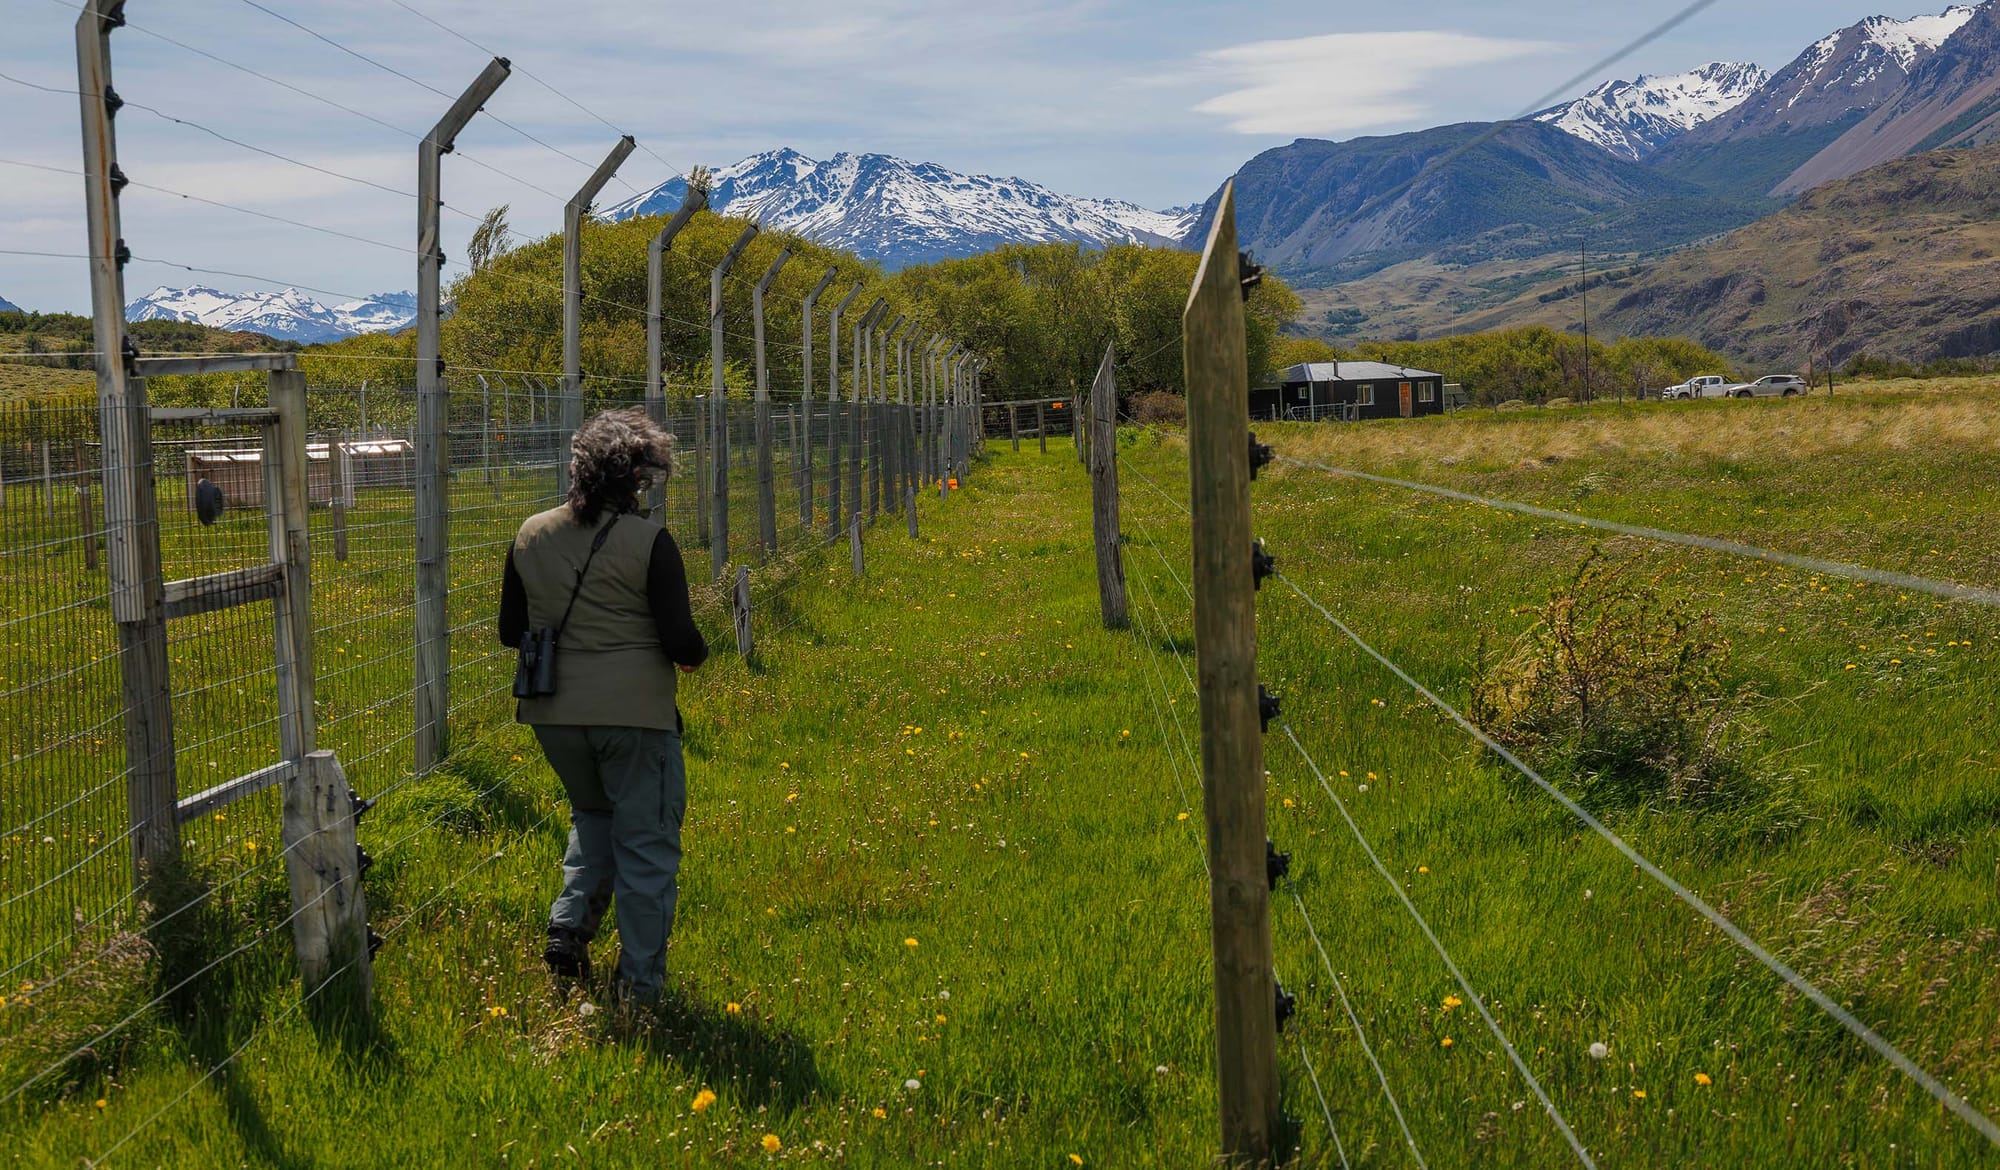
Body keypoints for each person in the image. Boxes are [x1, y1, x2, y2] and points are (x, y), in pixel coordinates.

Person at [498, 408, 707, 1005]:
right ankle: (639, 990)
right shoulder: (650, 542)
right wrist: (698, 654)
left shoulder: (531, 533)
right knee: (646, 845)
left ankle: (569, 929)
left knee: (593, 816)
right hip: (637, 717)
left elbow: (512, 631)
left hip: (553, 716)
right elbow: (680, 642)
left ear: (578, 469)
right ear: (638, 478)